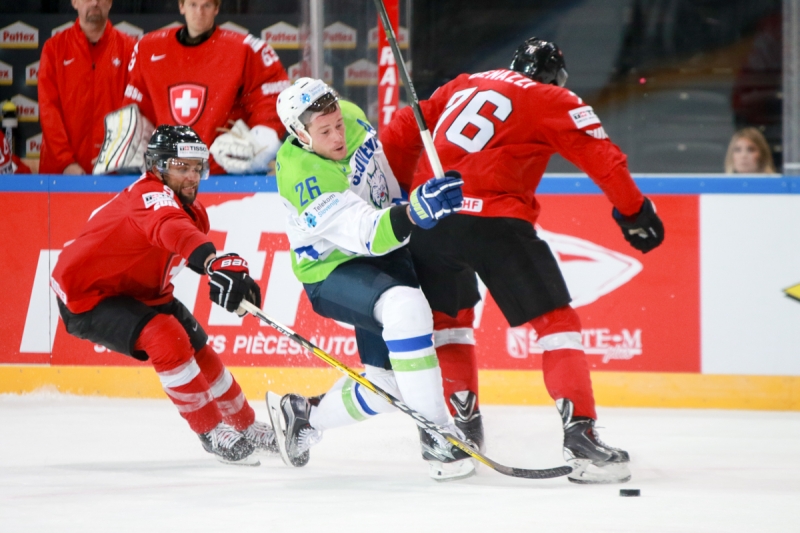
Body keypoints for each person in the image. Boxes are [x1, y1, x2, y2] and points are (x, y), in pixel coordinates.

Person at [380, 37, 665, 484]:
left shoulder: (463, 83)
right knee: (558, 326)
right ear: (556, 75)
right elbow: (601, 157)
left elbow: (400, 128)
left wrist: (397, 200)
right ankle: (581, 438)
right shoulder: (551, 97)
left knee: (450, 321)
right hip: (497, 222)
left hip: (431, 221)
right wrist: (633, 212)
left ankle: (459, 433)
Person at [267, 78, 473, 482]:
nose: (338, 134)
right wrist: (414, 212)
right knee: (406, 308)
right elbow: (365, 233)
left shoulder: (350, 117)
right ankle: (438, 434)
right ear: (298, 133)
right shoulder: (303, 175)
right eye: (324, 132)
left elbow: (382, 186)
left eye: (337, 125)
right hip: (332, 270)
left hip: (383, 253)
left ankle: (302, 416)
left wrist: (413, 199)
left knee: (390, 384)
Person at [50, 125, 275, 465]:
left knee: (198, 348)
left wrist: (216, 272)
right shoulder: (148, 195)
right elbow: (169, 226)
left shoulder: (194, 214)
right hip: (89, 296)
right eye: (181, 167)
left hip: (144, 290)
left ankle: (245, 424)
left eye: (196, 168)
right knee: (167, 337)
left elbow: (179, 236)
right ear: (157, 167)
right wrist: (215, 261)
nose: (191, 177)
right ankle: (211, 430)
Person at [120, 0, 289, 175]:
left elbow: (269, 99)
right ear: (181, 6)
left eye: (206, 5)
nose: (199, 12)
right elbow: (137, 105)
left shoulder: (244, 49)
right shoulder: (149, 48)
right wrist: (133, 141)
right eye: (193, 5)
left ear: (216, 8)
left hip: (223, 174)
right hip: (168, 174)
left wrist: (261, 143)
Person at [38, 0, 135, 174]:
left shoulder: (129, 49)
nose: (95, 2)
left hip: (113, 172)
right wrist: (65, 162)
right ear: (74, 2)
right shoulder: (54, 48)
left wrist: (114, 156)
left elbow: (134, 111)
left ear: (111, 2)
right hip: (61, 173)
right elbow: (48, 110)